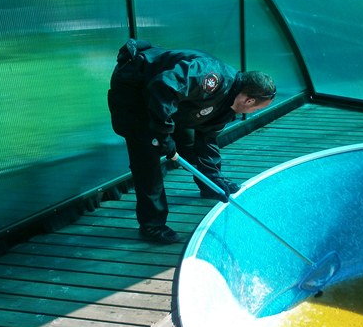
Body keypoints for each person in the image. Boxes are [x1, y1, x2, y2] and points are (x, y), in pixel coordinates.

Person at [107, 39, 276, 244]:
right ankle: (152, 225)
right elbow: (163, 86)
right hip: (135, 88)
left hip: (164, 99)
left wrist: (213, 179)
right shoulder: (210, 77)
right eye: (257, 109)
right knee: (147, 157)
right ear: (248, 100)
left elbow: (207, 135)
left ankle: (208, 184)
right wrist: (162, 135)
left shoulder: (230, 99)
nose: (253, 112)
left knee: (187, 143)